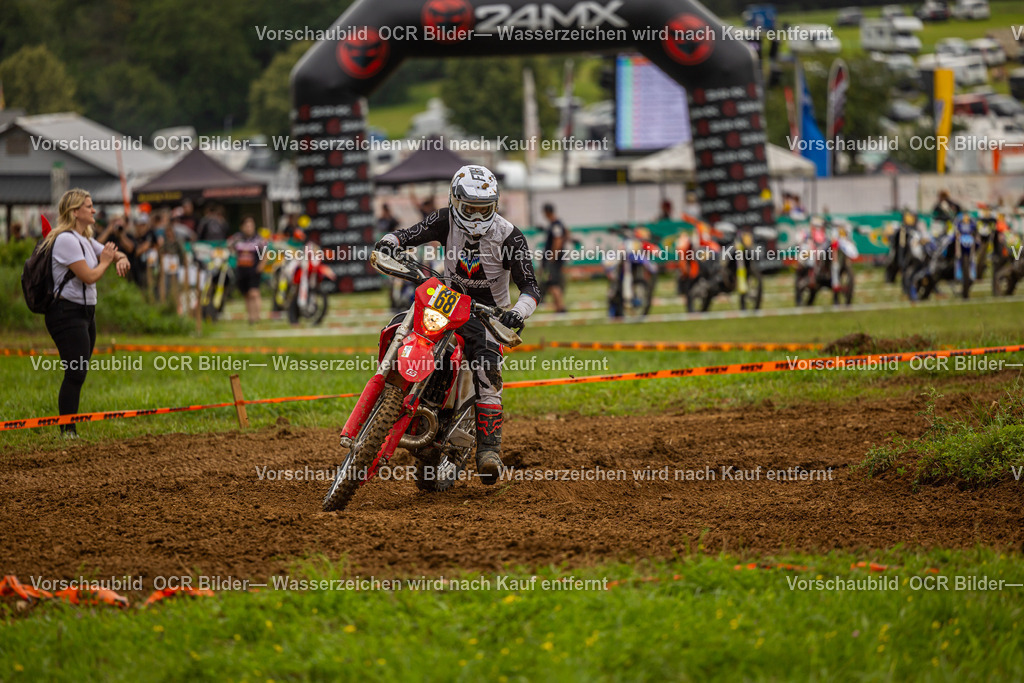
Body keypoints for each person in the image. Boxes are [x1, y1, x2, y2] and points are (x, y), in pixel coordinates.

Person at [375, 165, 541, 484]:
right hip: (448, 302)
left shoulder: (510, 236)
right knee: (403, 327)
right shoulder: (443, 219)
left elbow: (531, 287)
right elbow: (408, 235)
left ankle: (488, 452)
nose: (477, 219)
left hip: (488, 314)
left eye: (485, 210)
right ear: (455, 202)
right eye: (470, 210)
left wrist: (518, 312)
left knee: (487, 374)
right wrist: (388, 241)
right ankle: (393, 394)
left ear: (496, 206)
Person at [42, 189, 130, 437]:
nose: (93, 210)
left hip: (85, 314)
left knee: (78, 371)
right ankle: (67, 431)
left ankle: (69, 428)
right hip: (66, 313)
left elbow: (115, 253)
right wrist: (106, 261)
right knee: (76, 371)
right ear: (75, 212)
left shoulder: (85, 239)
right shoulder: (67, 240)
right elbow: (90, 276)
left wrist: (120, 258)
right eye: (89, 206)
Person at [227, 217, 267, 324]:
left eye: (251, 225)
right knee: (246, 294)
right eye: (247, 225)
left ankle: (257, 317)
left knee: (254, 293)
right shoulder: (237, 238)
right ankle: (251, 317)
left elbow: (266, 253)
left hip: (254, 269)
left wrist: (261, 265)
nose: (249, 228)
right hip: (242, 270)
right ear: (242, 227)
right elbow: (228, 245)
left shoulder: (259, 239)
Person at [541, 203, 569, 313]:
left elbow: (558, 240)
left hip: (554, 259)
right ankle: (558, 307)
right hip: (556, 258)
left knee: (553, 283)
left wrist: (552, 257)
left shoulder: (556, 224)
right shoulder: (557, 223)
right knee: (552, 283)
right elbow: (566, 233)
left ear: (547, 212)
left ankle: (561, 308)